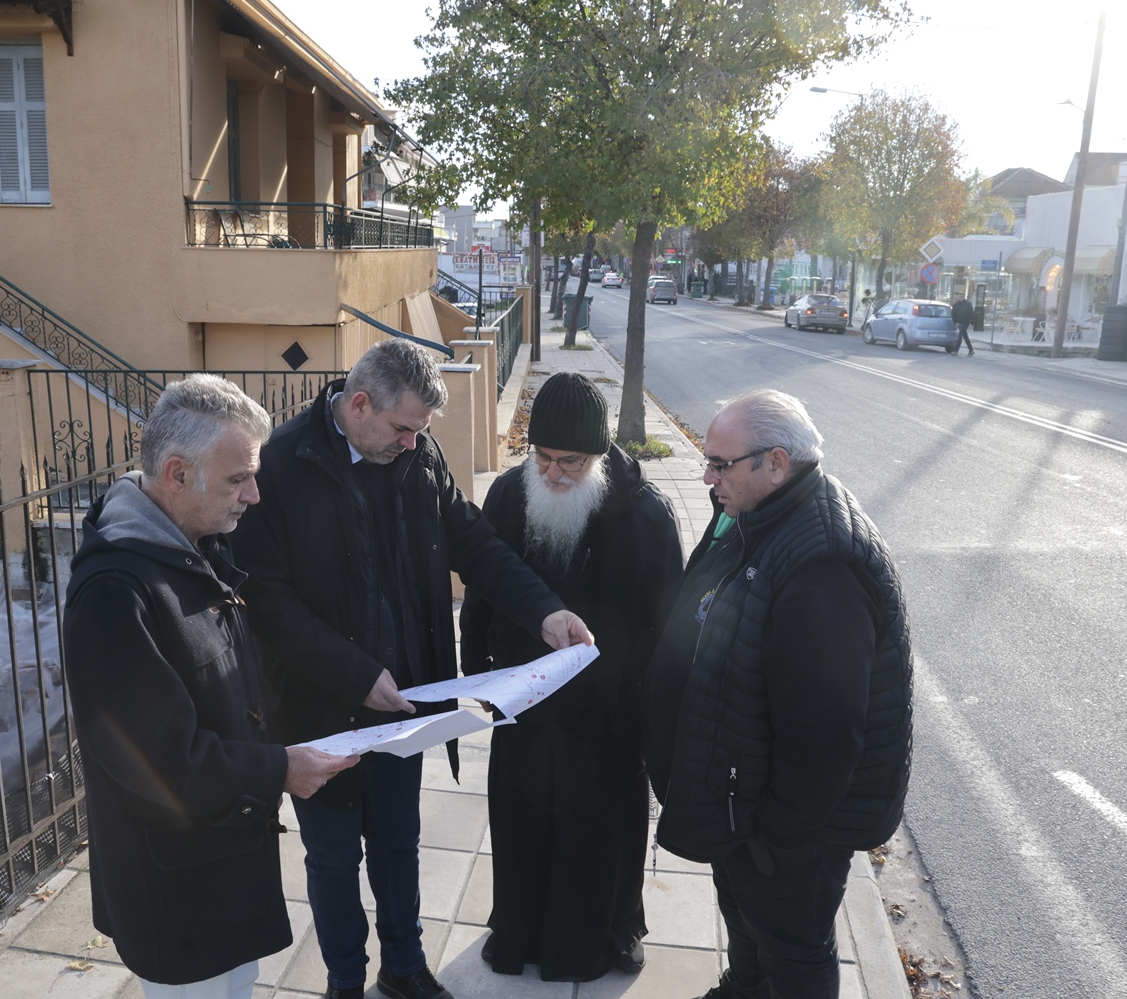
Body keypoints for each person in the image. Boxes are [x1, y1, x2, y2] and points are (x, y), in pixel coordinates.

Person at [231, 339, 593, 999]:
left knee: (399, 843)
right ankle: (345, 981)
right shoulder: (280, 464)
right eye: (402, 428)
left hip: (406, 706)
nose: (411, 443)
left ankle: (404, 968)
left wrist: (545, 611)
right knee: (333, 858)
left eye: (418, 431)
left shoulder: (416, 452)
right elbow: (268, 602)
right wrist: (354, 674)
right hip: (321, 710)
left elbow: (473, 541)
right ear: (358, 405)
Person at [64, 375, 357, 999]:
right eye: (237, 479)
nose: (254, 494)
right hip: (177, 894)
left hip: (220, 870)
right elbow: (160, 761)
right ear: (177, 473)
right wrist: (280, 769)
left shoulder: (193, 548)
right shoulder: (116, 593)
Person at [642, 390, 912, 999]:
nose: (707, 478)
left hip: (789, 833)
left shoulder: (823, 568)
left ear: (777, 463)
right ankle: (743, 989)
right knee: (746, 920)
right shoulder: (760, 513)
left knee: (792, 949)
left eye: (720, 464)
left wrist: (774, 835)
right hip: (747, 806)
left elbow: (826, 736)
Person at [460, 373, 683, 982]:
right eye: (543, 457)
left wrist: (651, 711)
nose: (553, 474)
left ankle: (612, 930)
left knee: (602, 835)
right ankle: (519, 930)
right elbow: (482, 587)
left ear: (600, 454)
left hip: (607, 715)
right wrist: (477, 669)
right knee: (522, 825)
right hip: (525, 704)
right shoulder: (509, 495)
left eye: (571, 462)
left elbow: (669, 628)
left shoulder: (646, 514)